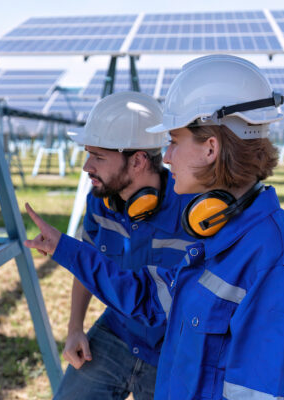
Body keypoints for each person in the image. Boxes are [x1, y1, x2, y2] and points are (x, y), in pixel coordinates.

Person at [26, 55, 284, 399]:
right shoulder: (218, 234)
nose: (166, 156)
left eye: (174, 141)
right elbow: (148, 300)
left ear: (210, 148)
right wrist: (63, 247)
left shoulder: (277, 262)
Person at [54, 91, 195, 400]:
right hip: (118, 330)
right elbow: (88, 263)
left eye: (99, 157)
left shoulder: (192, 211)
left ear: (139, 160)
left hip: (173, 349)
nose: (87, 166)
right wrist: (75, 328)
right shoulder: (99, 201)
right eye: (88, 154)